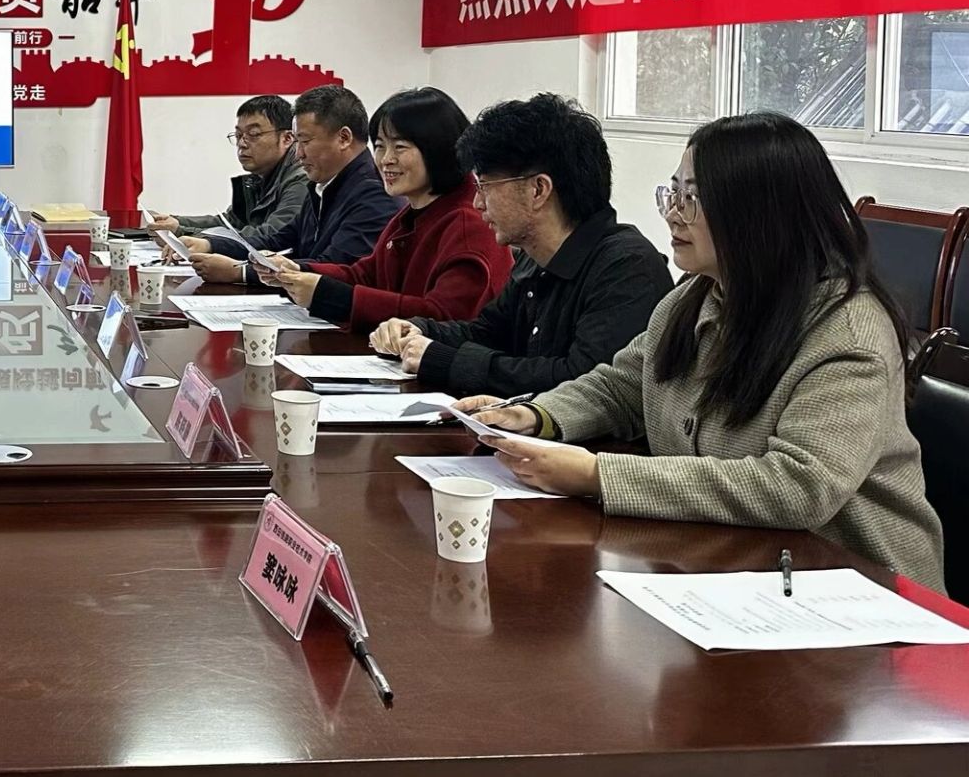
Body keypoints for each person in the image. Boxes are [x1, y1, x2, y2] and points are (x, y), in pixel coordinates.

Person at [462, 111, 945, 590]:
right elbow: (623, 385)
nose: (673, 213)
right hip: (732, 565)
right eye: (672, 193)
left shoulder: (847, 331)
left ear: (759, 213)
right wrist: (537, 416)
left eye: (692, 198)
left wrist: (596, 475)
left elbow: (799, 486)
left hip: (857, 588)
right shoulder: (695, 297)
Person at [366, 94, 672, 394]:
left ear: (538, 190)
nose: (477, 202)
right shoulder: (534, 255)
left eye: (485, 186)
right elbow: (488, 332)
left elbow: (580, 382)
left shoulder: (627, 268)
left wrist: (445, 361)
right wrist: (419, 330)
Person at [262, 87, 511, 332]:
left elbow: (442, 318)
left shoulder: (468, 223)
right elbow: (367, 274)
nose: (385, 160)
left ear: (438, 148)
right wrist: (300, 271)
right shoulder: (414, 212)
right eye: (380, 146)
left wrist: (330, 296)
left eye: (399, 147)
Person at [187, 85, 391, 285]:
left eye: (305, 141)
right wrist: (210, 244)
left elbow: (337, 268)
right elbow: (277, 241)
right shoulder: (322, 186)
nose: (299, 153)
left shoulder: (375, 193)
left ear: (344, 138)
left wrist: (241, 273)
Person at [146, 94, 308, 255]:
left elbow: (270, 237)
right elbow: (231, 222)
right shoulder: (259, 176)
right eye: (238, 136)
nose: (242, 144)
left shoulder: (301, 179)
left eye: (253, 134)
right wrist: (175, 222)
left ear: (287, 138)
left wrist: (185, 232)